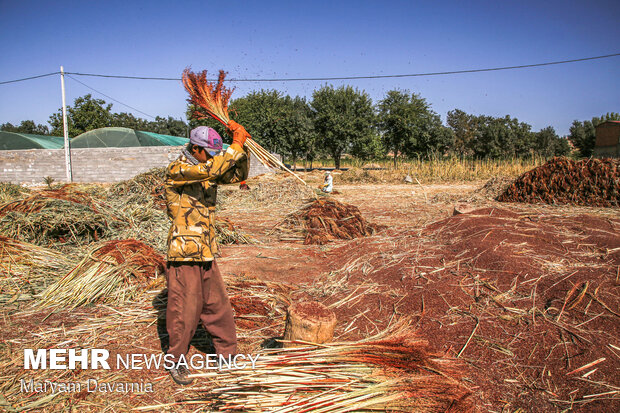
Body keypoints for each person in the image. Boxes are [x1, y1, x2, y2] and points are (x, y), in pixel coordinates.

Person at [163, 121, 250, 385]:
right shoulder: (179, 168)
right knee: (184, 311)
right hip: (184, 252)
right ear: (195, 148)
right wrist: (233, 146)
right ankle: (175, 360)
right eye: (209, 152)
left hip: (206, 250)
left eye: (215, 153)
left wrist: (243, 148)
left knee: (218, 306)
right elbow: (213, 167)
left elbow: (236, 175)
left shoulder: (207, 168)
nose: (212, 157)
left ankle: (227, 355)